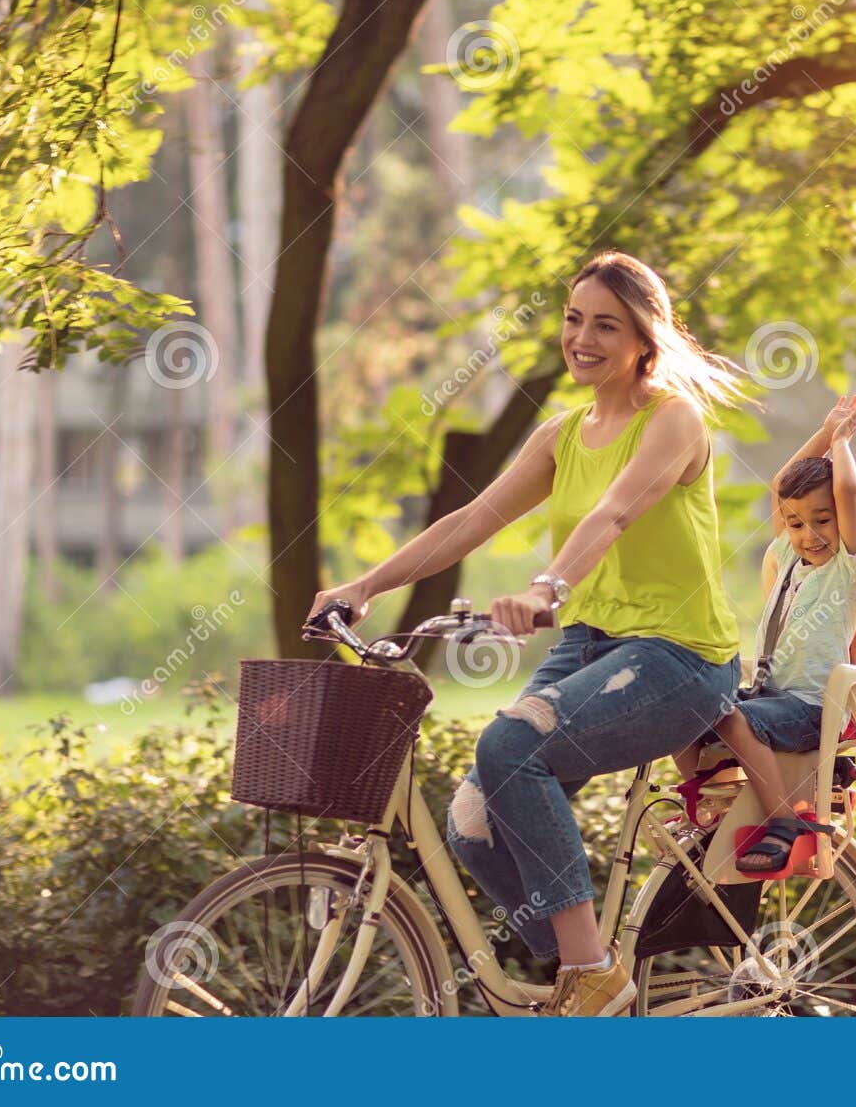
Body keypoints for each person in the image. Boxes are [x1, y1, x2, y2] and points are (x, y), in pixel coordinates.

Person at [308, 252, 747, 1015]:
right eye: (574, 318)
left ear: (645, 337)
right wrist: (365, 586)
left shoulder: (672, 418)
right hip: (591, 647)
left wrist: (550, 586)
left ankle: (594, 976)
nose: (582, 337)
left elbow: (614, 513)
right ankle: (590, 980)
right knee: (471, 824)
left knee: (510, 745)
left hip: (680, 656)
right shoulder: (562, 433)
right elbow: (471, 519)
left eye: (606, 324)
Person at [674, 394, 856, 873]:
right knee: (676, 699)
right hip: (768, 694)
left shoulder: (847, 566)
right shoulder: (787, 556)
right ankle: (706, 798)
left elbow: (846, 491)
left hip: (811, 708)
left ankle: (784, 821)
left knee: (731, 720)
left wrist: (841, 442)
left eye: (822, 520)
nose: (809, 534)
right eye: (796, 523)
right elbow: (782, 485)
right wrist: (825, 430)